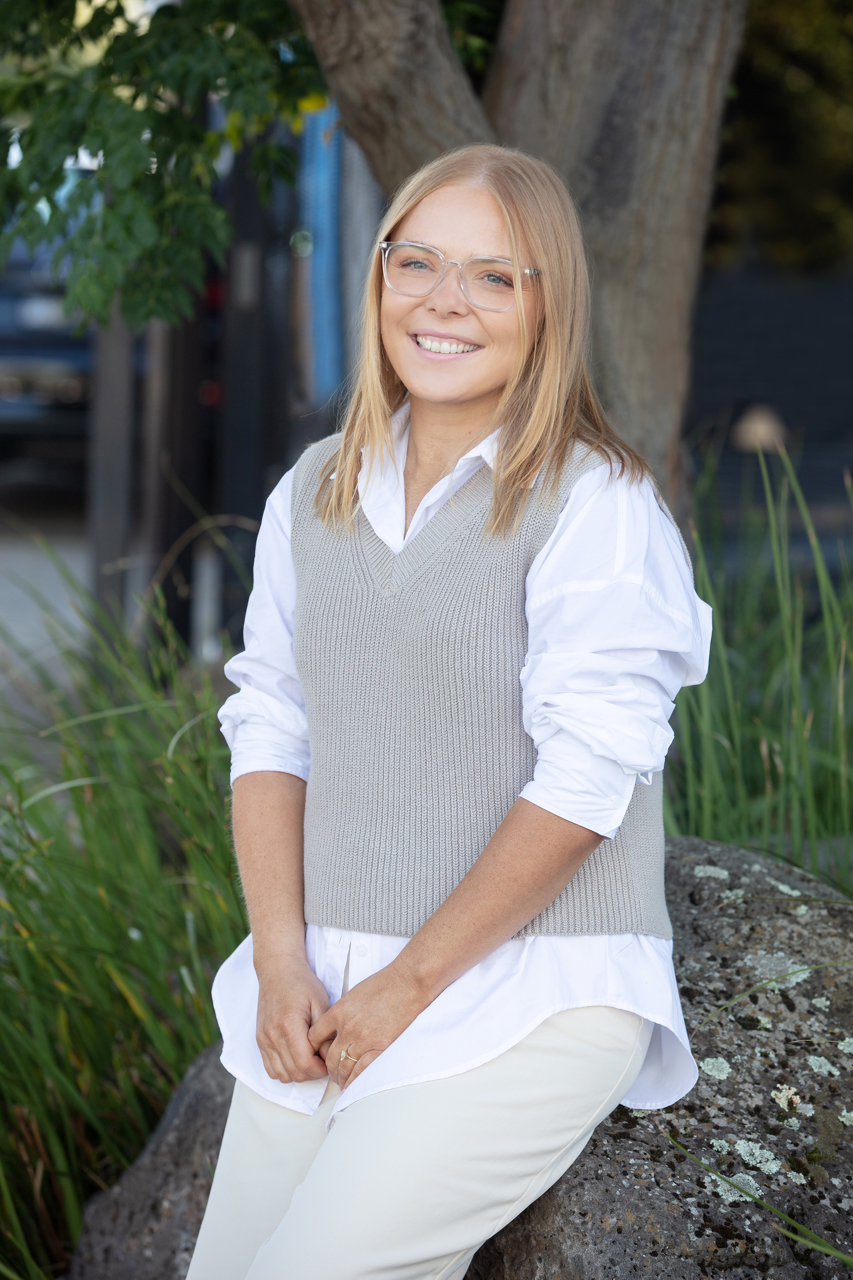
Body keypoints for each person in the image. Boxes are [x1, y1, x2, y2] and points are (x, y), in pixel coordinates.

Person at [187, 143, 712, 1280]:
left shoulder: (598, 506)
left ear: (547, 303)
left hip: (533, 989)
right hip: (326, 975)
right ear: (376, 276)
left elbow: (586, 781)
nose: (442, 301)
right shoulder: (312, 488)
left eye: (491, 274)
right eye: (416, 261)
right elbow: (273, 722)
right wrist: (282, 961)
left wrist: (407, 986)